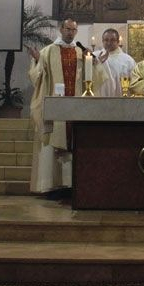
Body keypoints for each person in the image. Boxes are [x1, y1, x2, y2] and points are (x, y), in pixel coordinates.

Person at [27, 18, 86, 197]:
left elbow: (90, 77)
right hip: (54, 108)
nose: (70, 32)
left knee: (73, 142)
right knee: (52, 141)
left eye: (73, 30)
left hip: (75, 107)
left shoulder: (81, 52)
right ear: (61, 29)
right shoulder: (48, 51)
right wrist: (38, 61)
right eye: (67, 29)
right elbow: (37, 76)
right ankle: (51, 185)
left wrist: (96, 63)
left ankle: (71, 185)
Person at [92, 28, 136, 96]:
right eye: (106, 40)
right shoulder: (94, 56)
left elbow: (134, 83)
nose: (109, 43)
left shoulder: (128, 60)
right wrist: (96, 64)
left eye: (112, 40)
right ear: (102, 41)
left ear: (118, 41)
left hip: (120, 98)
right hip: (99, 98)